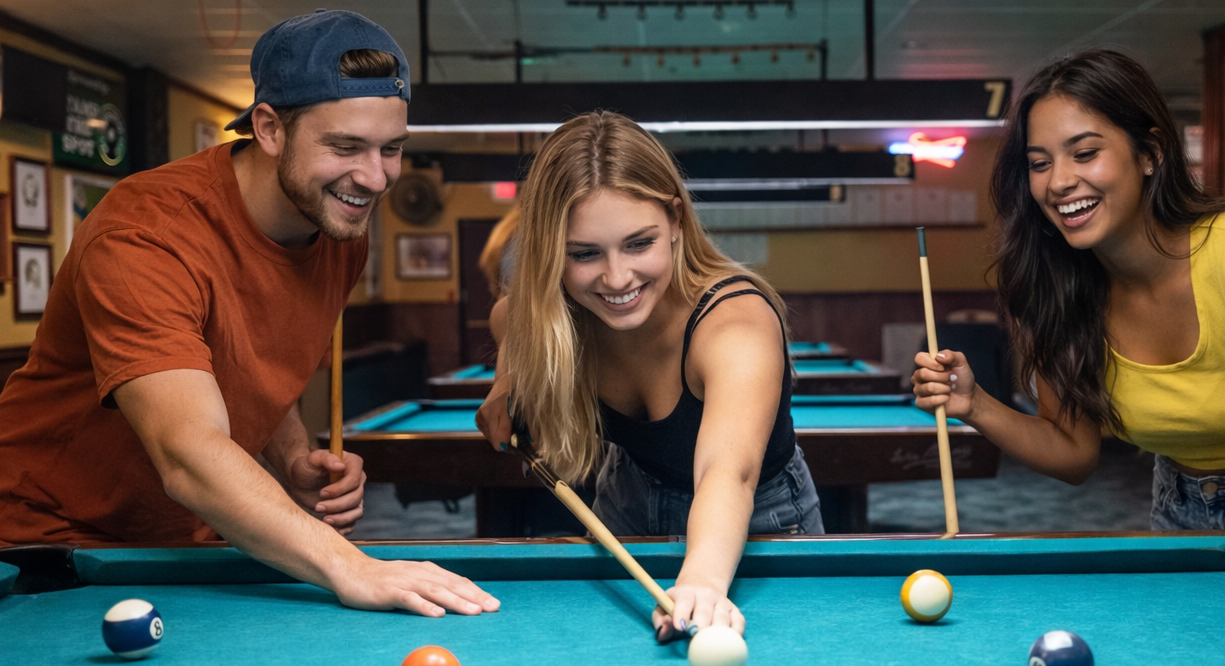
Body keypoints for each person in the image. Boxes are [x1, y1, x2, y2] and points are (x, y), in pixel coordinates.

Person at [0, 9, 499, 617]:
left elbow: (248, 357)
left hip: (199, 544)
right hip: (46, 547)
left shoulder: (340, 228)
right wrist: (350, 565)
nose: (374, 178)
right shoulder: (145, 235)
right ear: (267, 128)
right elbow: (187, 454)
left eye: (390, 149)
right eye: (345, 147)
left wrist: (289, 456)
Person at [476, 111, 823, 641]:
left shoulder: (736, 323)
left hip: (762, 520)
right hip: (627, 496)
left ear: (677, 222)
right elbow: (509, 319)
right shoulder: (554, 312)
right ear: (551, 252)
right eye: (585, 254)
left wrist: (703, 583)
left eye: (639, 243)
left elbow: (727, 474)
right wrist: (506, 384)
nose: (617, 278)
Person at [912, 49, 1225, 530]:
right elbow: (1073, 453)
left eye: (1085, 153)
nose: (1058, 182)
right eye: (1040, 163)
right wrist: (973, 404)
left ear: (1150, 153)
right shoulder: (1058, 293)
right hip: (1182, 512)